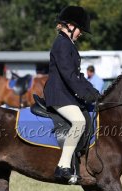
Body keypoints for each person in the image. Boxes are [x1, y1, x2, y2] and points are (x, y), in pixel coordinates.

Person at [43, 5, 100, 181]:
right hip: (59, 94)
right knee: (79, 122)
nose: (81, 33)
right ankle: (63, 166)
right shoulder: (61, 44)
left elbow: (78, 76)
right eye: (80, 29)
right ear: (69, 26)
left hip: (66, 93)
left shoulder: (68, 44)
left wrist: (94, 92)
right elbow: (68, 75)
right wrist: (85, 94)